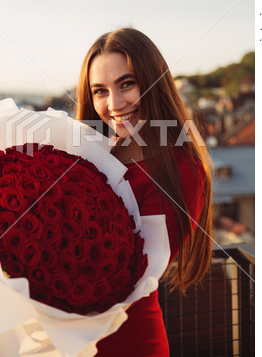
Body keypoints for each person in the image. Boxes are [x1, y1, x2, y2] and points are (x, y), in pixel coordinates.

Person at [76, 28, 212, 356]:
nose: (114, 103)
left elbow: (134, 275)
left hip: (127, 341)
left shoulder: (181, 169)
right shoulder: (96, 155)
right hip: (67, 338)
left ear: (154, 82)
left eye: (127, 84)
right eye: (100, 91)